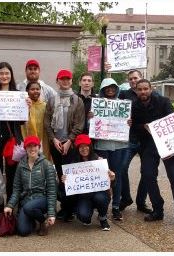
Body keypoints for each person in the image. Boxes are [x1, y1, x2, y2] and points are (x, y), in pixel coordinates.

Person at [131, 79, 174, 229]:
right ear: (137, 91)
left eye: (146, 89)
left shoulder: (164, 101)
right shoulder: (134, 106)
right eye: (140, 89)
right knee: (147, 175)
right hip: (149, 145)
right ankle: (158, 209)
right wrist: (143, 127)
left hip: (167, 145)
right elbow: (133, 127)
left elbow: (173, 121)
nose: (143, 92)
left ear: (151, 89)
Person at [44, 69, 85, 221]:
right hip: (56, 144)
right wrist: (53, 139)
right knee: (60, 176)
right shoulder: (52, 99)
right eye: (62, 79)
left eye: (68, 79)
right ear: (57, 81)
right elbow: (47, 122)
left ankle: (70, 208)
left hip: (70, 144)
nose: (65, 81)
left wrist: (70, 140)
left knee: (70, 177)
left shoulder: (77, 100)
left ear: (71, 81)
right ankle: (64, 207)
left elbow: (79, 123)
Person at [0, 62, 28, 200]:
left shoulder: (19, 95)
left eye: (7, 73)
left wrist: (28, 109)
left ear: (11, 75)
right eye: (1, 73)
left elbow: (21, 122)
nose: (4, 76)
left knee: (13, 175)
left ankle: (10, 206)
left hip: (13, 140)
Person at [4, 135, 56, 236]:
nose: (32, 148)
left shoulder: (46, 165)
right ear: (25, 148)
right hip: (26, 201)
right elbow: (17, 189)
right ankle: (32, 219)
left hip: (42, 199)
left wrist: (51, 214)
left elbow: (52, 191)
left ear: (39, 147)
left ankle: (43, 221)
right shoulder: (21, 165)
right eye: (29, 146)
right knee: (23, 231)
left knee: (28, 207)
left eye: (35, 145)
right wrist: (10, 205)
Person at [61, 134, 115, 231]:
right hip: (84, 197)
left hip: (99, 194)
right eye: (80, 147)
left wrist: (112, 178)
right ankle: (87, 214)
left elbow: (109, 184)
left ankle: (103, 217)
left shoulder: (99, 161)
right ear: (77, 149)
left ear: (90, 146)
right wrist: (65, 181)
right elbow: (69, 188)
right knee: (83, 217)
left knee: (100, 198)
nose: (84, 149)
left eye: (86, 146)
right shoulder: (73, 164)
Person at [93, 78, 129, 221]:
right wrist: (91, 119)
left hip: (119, 145)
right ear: (102, 89)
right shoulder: (97, 105)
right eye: (107, 88)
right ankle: (103, 207)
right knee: (103, 176)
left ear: (116, 89)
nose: (110, 90)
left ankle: (115, 207)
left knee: (117, 176)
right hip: (102, 145)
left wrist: (128, 122)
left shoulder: (123, 105)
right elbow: (93, 125)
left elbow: (126, 124)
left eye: (113, 87)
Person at [118, 70, 151, 213]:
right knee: (122, 168)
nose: (133, 80)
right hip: (129, 139)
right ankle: (125, 197)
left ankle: (141, 201)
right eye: (130, 79)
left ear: (141, 78)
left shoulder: (151, 95)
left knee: (147, 171)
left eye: (135, 78)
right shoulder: (124, 95)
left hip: (146, 140)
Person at [21, 81, 51, 161]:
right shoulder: (22, 105)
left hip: (42, 140)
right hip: (27, 138)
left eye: (37, 89)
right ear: (27, 91)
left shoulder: (45, 105)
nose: (35, 91)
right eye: (32, 89)